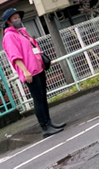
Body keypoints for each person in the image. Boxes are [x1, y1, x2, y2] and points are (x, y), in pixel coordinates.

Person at [2, 8, 65, 138]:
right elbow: (15, 56)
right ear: (8, 21)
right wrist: (25, 71)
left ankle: (49, 123)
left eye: (18, 17)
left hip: (37, 68)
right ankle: (45, 127)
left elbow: (33, 48)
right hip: (29, 71)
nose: (18, 20)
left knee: (42, 97)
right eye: (14, 18)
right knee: (38, 98)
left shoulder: (20, 33)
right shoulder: (9, 36)